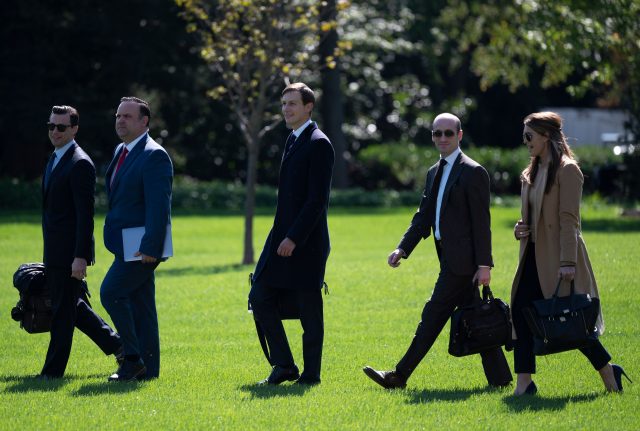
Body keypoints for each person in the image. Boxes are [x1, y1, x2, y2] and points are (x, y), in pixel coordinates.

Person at [363, 113, 513, 389]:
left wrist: (484, 265)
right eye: (436, 133)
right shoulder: (434, 172)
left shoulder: (473, 172)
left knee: (432, 316)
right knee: (476, 314)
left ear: (459, 135)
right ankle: (501, 380)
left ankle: (399, 375)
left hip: (464, 264)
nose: (441, 138)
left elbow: (482, 224)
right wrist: (402, 248)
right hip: (449, 259)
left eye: (447, 133)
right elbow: (423, 217)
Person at [511, 111, 631, 395]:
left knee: (571, 321)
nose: (525, 141)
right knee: (521, 313)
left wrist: (568, 263)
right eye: (524, 136)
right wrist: (520, 228)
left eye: (529, 136)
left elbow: (569, 221)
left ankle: (608, 371)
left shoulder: (568, 170)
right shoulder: (531, 171)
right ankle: (524, 384)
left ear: (547, 136)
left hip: (558, 258)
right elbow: (531, 215)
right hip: (531, 255)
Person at [249, 83, 335, 386]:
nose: (286, 109)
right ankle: (284, 364)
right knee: (259, 296)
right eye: (284, 103)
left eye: (293, 103)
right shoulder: (292, 139)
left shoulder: (319, 143)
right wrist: (282, 237)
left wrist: (294, 238)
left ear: (308, 107)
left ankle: (311, 376)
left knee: (309, 310)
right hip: (281, 239)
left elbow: (316, 201)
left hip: (306, 243)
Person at [39, 105, 123, 379]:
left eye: (61, 127)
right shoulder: (55, 158)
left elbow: (85, 216)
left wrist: (81, 256)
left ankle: (52, 373)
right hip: (54, 250)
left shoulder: (80, 163)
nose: (55, 131)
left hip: (69, 254)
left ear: (74, 129)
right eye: (51, 126)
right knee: (72, 306)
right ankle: (119, 346)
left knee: (62, 313)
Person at [100, 97, 173, 382]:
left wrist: (151, 247)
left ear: (144, 122)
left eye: (128, 116)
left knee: (110, 292)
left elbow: (159, 207)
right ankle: (147, 370)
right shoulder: (122, 150)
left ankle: (131, 359)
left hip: (143, 245)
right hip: (124, 242)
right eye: (119, 115)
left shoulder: (155, 155)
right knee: (142, 306)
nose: (121, 120)